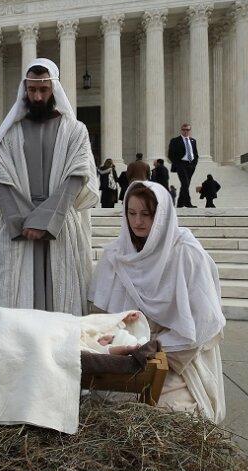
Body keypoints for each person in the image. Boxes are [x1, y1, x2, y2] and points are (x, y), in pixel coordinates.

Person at [91, 181, 226, 422]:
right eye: (131, 213)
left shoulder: (186, 253)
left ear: (161, 215)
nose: (137, 222)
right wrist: (114, 338)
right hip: (123, 353)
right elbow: (100, 314)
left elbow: (203, 322)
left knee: (170, 412)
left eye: (146, 214)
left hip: (173, 358)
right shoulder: (116, 254)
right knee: (104, 404)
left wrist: (154, 348)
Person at [0, 58, 98, 314]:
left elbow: (77, 175)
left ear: (54, 89)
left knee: (63, 300)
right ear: (24, 90)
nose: (37, 96)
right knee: (19, 304)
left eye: (43, 90)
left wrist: (45, 220)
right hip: (18, 230)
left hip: (61, 227)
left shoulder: (75, 131)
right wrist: (22, 221)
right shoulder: (9, 134)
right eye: (32, 89)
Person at [0, 306, 151, 442]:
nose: (107, 339)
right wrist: (121, 317)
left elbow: (104, 352)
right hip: (48, 324)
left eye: (112, 340)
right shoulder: (89, 330)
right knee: (1, 314)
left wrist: (122, 348)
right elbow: (92, 321)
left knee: (6, 341)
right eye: (110, 336)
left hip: (47, 337)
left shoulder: (93, 349)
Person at [167, 123, 198, 208]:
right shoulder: (175, 140)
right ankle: (188, 203)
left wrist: (194, 163)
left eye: (187, 130)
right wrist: (177, 164)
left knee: (186, 184)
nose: (185, 131)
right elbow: (170, 154)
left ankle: (180, 203)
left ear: (189, 130)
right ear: (181, 130)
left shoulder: (193, 141)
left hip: (191, 165)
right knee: (185, 183)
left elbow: (195, 153)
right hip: (181, 164)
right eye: (184, 130)